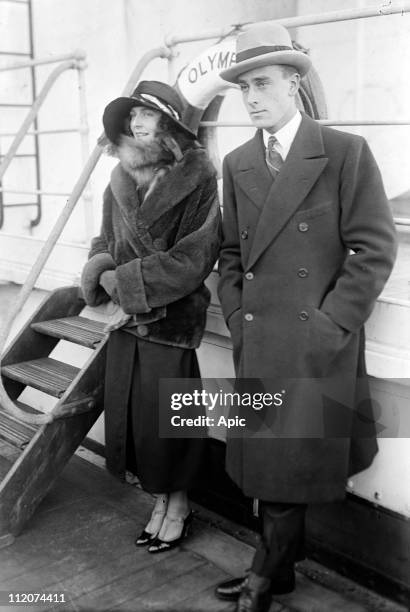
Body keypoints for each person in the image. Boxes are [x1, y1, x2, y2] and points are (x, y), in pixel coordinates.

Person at [215, 23, 397, 612]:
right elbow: (232, 254)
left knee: (287, 465)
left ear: (294, 84)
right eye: (244, 88)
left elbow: (374, 249)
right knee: (269, 465)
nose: (252, 98)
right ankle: (280, 569)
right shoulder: (238, 161)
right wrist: (239, 315)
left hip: (314, 344)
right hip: (259, 339)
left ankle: (265, 574)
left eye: (263, 83)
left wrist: (328, 327)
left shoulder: (343, 152)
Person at [81, 80, 221, 553]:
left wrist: (128, 291)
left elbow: (195, 259)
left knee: (169, 424)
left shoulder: (199, 178)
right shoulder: (117, 178)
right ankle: (159, 501)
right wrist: (106, 280)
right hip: (125, 319)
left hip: (170, 322)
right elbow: (102, 244)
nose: (137, 123)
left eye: (148, 114)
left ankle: (178, 504)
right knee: (139, 425)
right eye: (131, 116)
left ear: (170, 122)